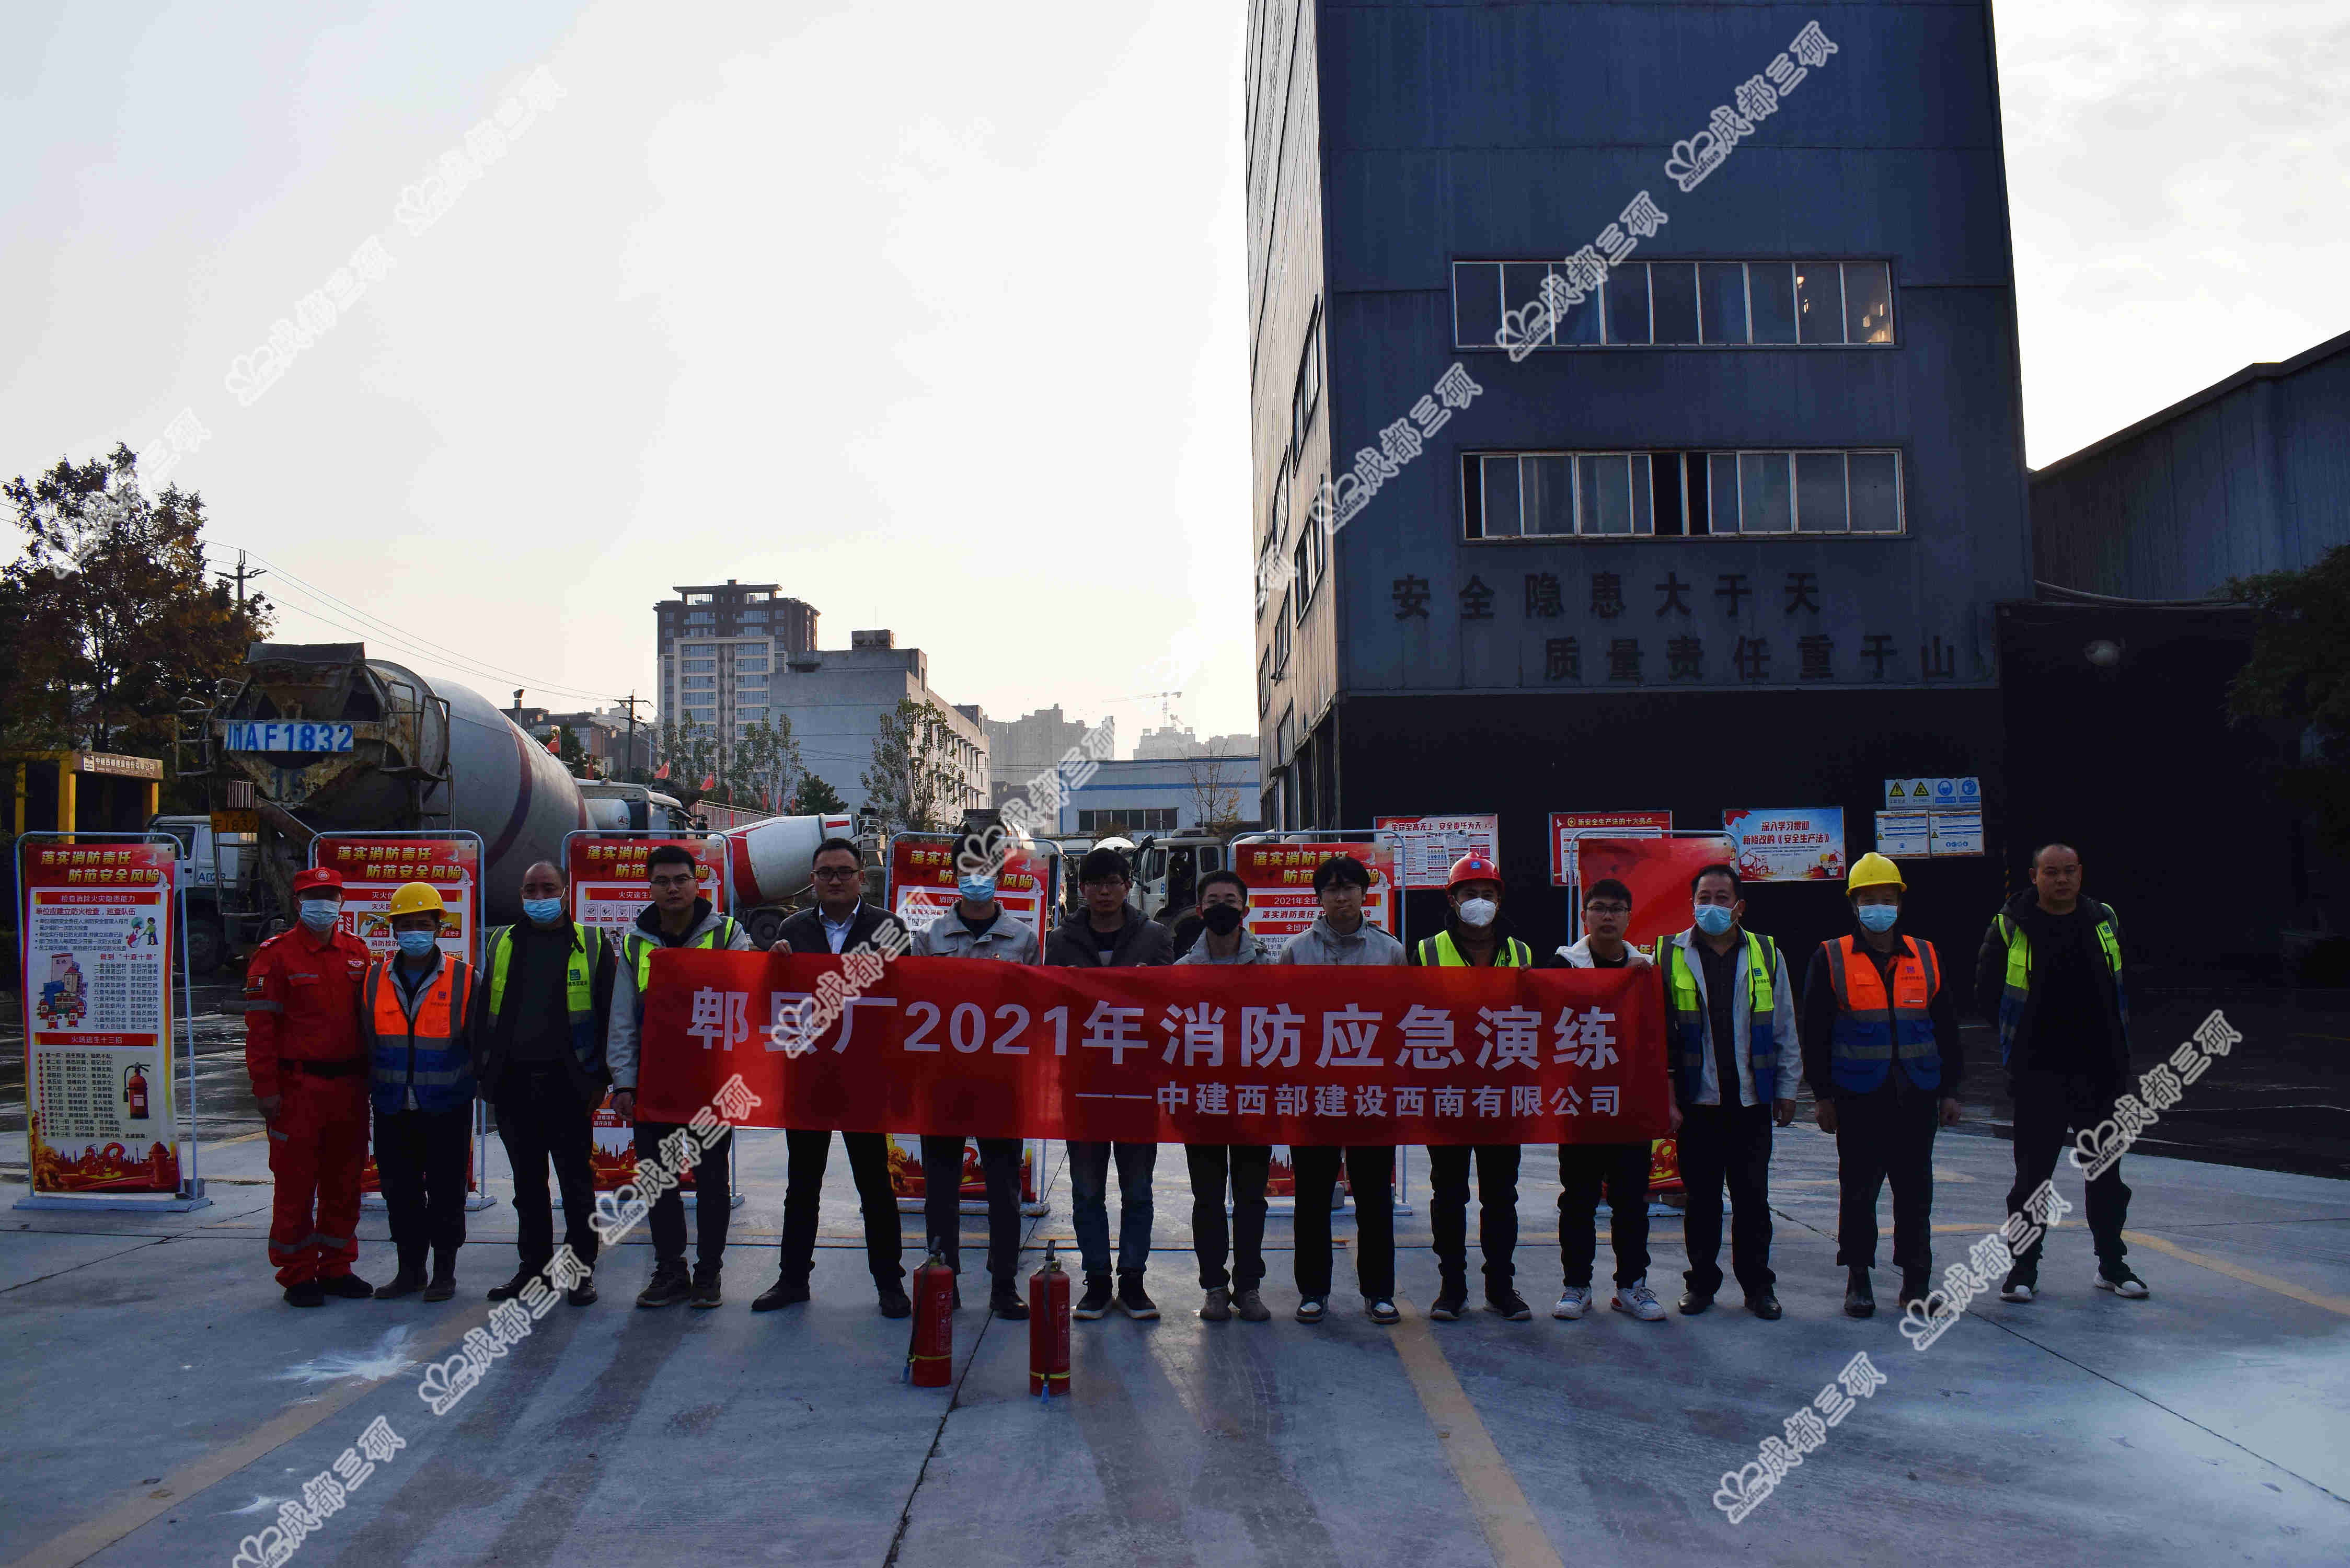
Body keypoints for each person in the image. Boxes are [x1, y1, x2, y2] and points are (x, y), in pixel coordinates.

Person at [1976, 843, 2146, 1302]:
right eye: (2052, 872)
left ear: (2081, 873)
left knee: (2106, 1176)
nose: (2062, 880)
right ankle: (2023, 1270)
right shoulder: (2012, 924)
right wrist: (2022, 1041)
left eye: (2069, 871)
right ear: (2034, 876)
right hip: (2038, 1075)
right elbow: (1987, 992)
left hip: (2101, 1073)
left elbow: (2127, 983)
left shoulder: (2103, 920)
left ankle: (2112, 1264)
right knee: (2032, 1180)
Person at [1800, 853, 1964, 1318]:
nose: (1879, 906)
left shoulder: (1927, 954)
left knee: (1915, 1195)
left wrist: (1951, 1089)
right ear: (1854, 904)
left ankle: (1916, 1282)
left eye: (1887, 898)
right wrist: (1823, 1096)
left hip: (1917, 1093)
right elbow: (1816, 1032)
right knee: (1859, 1193)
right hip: (1858, 1096)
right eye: (1870, 899)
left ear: (1899, 902)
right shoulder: (1830, 956)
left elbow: (1947, 1027)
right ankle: (1858, 1279)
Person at [756, 837, 914, 1317]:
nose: (835, 880)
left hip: (865, 1079)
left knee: (875, 1186)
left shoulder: (890, 929)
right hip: (808, 1077)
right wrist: (775, 967)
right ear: (813, 880)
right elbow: (769, 1004)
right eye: (825, 872)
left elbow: (908, 1004)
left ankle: (889, 1283)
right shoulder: (792, 930)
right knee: (802, 1184)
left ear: (861, 877)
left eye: (844, 871)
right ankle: (792, 1280)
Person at [605, 844, 755, 1310]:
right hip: (656, 1084)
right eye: (663, 881)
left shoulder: (728, 933)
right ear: (650, 887)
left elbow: (756, 991)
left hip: (711, 1081)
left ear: (698, 882)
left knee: (712, 1181)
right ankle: (671, 1270)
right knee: (657, 1179)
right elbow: (622, 1020)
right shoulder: (634, 943)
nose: (673, 888)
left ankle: (708, 1273)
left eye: (681, 879)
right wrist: (624, 1083)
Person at [1655, 864, 1796, 1319]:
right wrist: (1668, 1097)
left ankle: (1758, 1288)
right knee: (1702, 1200)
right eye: (1704, 897)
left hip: (1751, 1101)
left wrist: (1788, 1088)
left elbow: (1784, 1027)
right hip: (1699, 1102)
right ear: (1692, 903)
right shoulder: (1667, 953)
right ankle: (1701, 1285)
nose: (1711, 906)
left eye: (1721, 897)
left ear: (1740, 906)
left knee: (1754, 1199)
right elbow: (1655, 1034)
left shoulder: (1767, 953)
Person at [906, 849, 1039, 1320]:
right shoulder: (929, 937)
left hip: (1002, 1083)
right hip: (944, 1082)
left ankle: (1004, 1283)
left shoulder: (1023, 939)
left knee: (1004, 1187)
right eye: (968, 873)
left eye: (986, 872)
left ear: (1001, 877)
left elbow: (1037, 1008)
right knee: (941, 1187)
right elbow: (914, 1003)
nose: (977, 880)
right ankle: (944, 1277)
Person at [1045, 846, 1176, 1321]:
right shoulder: (1061, 941)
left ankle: (1135, 1281)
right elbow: (1046, 1008)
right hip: (1082, 1083)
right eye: (1095, 883)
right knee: (1086, 1191)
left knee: (1138, 1190)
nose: (1104, 891)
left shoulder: (1156, 937)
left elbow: (1170, 1008)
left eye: (1114, 881)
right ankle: (1098, 1281)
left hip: (1139, 1082)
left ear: (1127, 885)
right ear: (1083, 889)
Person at [475, 860, 612, 1308]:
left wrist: (600, 1079)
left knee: (576, 1186)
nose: (539, 897)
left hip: (569, 1087)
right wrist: (486, 1073)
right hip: (514, 1085)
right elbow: (484, 1014)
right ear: (521, 894)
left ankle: (578, 1274)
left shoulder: (591, 944)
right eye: (531, 889)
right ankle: (532, 1270)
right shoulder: (502, 942)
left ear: (566, 891)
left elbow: (610, 1017)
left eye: (547, 888)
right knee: (527, 1188)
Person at [1278, 852, 1408, 1326]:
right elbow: (1284, 1023)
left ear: (1364, 893)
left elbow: (1403, 1021)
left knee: (1374, 1196)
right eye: (1331, 889)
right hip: (1316, 1093)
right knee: (1313, 1195)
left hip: (1372, 1093)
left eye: (1349, 887)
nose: (1340, 896)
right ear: (1319, 897)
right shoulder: (1296, 951)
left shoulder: (1390, 951)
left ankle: (1379, 1292)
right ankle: (1314, 1291)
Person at [1410, 854, 1533, 1323]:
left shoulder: (1522, 953)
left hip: (1503, 1095)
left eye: (1487, 894)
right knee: (1449, 1194)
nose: (1478, 903)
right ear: (1452, 899)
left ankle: (1502, 1287)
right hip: (1448, 1096)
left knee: (1502, 1196)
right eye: (1469, 894)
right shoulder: (1423, 952)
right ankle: (1452, 1288)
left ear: (1499, 899)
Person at [243, 866, 374, 1308]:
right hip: (297, 1089)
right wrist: (265, 1088)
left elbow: (371, 1024)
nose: (324, 904)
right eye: (315, 896)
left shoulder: (358, 954)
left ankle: (337, 1267)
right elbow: (260, 1029)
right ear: (299, 903)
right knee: (296, 1184)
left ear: (341, 902)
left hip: (351, 1089)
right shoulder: (276, 955)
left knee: (345, 1182)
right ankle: (297, 1273)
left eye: (331, 896)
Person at [1550, 877, 1674, 1324]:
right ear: (1584, 916)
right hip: (1580, 1104)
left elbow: (1662, 1042)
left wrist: (1666, 1099)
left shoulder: (1647, 970)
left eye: (1616, 909)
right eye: (1599, 908)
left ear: (1628, 917)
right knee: (1578, 1199)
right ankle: (1577, 1286)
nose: (1607, 916)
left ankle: (1631, 1287)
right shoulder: (1562, 966)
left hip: (1629, 1105)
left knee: (1630, 1200)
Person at [362, 882, 479, 1302]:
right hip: (393, 1106)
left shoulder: (466, 978)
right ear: (393, 930)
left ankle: (444, 1272)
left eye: (423, 924)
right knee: (399, 1192)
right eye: (406, 925)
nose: (414, 932)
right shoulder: (374, 978)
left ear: (438, 928)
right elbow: (366, 1041)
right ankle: (410, 1271)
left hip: (447, 1106)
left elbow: (480, 1042)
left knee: (448, 1191)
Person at [1174, 869, 1274, 1323]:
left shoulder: (1272, 969)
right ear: (1200, 910)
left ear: (1245, 909)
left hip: (1254, 1101)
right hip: (1203, 1102)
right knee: (1208, 1199)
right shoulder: (1181, 973)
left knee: (1252, 1198)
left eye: (1231, 901)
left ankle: (1249, 1287)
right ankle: (1214, 1286)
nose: (1222, 908)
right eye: (1213, 900)